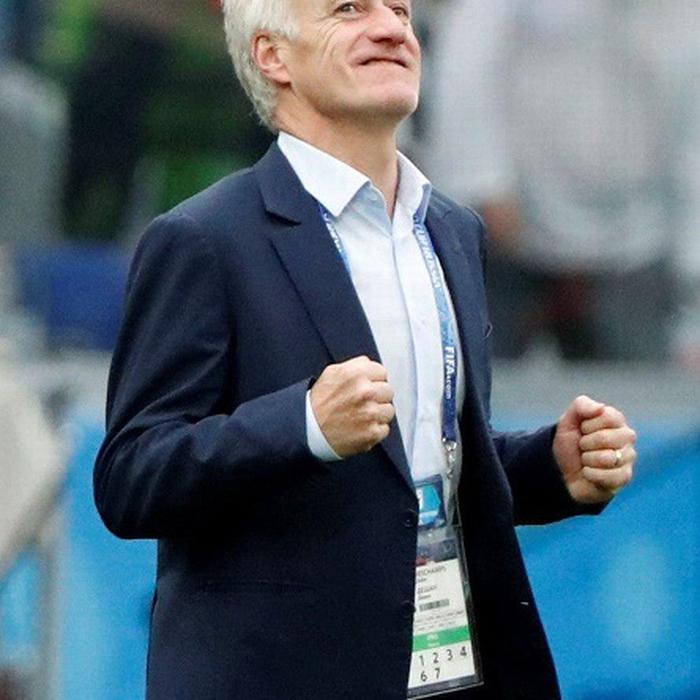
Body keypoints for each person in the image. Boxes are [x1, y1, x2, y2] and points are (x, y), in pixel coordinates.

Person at [93, 2, 637, 698]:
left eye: (400, 9)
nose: (390, 28)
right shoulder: (204, 239)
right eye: (348, 8)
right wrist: (304, 426)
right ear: (272, 55)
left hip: (444, 677)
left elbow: (417, 470)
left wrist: (549, 466)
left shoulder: (452, 231)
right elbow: (131, 478)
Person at [422, 0, 700, 363]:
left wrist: (693, 305)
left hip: (638, 249)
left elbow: (693, 148)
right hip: (513, 236)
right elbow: (467, 58)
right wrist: (483, 181)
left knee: (637, 392)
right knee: (475, 379)